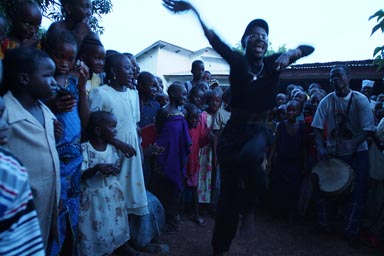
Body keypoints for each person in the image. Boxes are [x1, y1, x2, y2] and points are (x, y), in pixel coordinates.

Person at [162, 1, 315, 254]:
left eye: (264, 36)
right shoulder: (237, 61)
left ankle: (250, 210)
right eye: (254, 35)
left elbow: (309, 48)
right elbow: (213, 38)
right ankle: (220, 247)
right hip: (233, 135)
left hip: (259, 132)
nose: (260, 39)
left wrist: (292, 53)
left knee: (254, 158)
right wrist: (192, 9)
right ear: (244, 41)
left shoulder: (275, 62)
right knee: (227, 201)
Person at [1, 47, 61, 253]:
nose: (54, 82)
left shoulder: (45, 111)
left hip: (45, 203)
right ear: (24, 79)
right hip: (17, 206)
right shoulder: (6, 113)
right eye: (48, 76)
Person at [311, 65, 375, 247]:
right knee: (324, 188)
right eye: (331, 77)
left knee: (358, 192)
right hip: (333, 153)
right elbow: (316, 128)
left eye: (338, 76)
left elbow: (368, 129)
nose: (334, 80)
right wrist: (320, 147)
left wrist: (353, 143)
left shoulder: (360, 100)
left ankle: (351, 231)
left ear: (349, 77)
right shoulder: (326, 100)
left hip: (358, 154)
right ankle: (324, 225)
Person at [42, 28, 90, 255]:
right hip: (52, 157)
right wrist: (51, 107)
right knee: (54, 212)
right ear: (46, 51)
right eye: (59, 56)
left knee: (71, 211)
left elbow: (84, 119)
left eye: (70, 58)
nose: (64, 63)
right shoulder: (41, 81)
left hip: (74, 159)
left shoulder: (73, 81)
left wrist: (82, 88)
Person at [78, 111, 135, 256]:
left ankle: (116, 248)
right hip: (93, 199)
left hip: (111, 195)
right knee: (95, 228)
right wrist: (97, 169)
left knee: (113, 223)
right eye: (112, 127)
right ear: (98, 130)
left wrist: (111, 170)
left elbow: (117, 167)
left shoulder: (113, 148)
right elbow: (81, 175)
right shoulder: (85, 149)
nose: (115, 131)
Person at [153, 81, 191, 233]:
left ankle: (173, 216)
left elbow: (183, 135)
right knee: (164, 187)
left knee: (176, 187)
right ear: (174, 94)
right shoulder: (163, 112)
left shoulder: (183, 112)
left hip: (177, 155)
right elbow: (160, 132)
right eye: (183, 94)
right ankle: (163, 220)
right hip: (165, 154)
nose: (185, 97)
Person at [268, 100, 305, 219]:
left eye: (293, 110)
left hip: (295, 162)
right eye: (288, 110)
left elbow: (304, 146)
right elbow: (275, 143)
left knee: (293, 188)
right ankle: (278, 212)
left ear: (299, 112)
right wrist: (270, 159)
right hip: (282, 161)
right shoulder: (281, 125)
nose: (290, 112)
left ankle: (291, 213)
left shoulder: (302, 126)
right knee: (279, 187)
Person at [184, 102, 210, 226]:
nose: (195, 120)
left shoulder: (199, 127)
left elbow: (201, 142)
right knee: (179, 190)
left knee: (195, 189)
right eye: (192, 118)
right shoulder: (183, 128)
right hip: (182, 164)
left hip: (193, 163)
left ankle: (196, 214)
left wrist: (208, 138)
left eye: (197, 118)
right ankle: (177, 214)